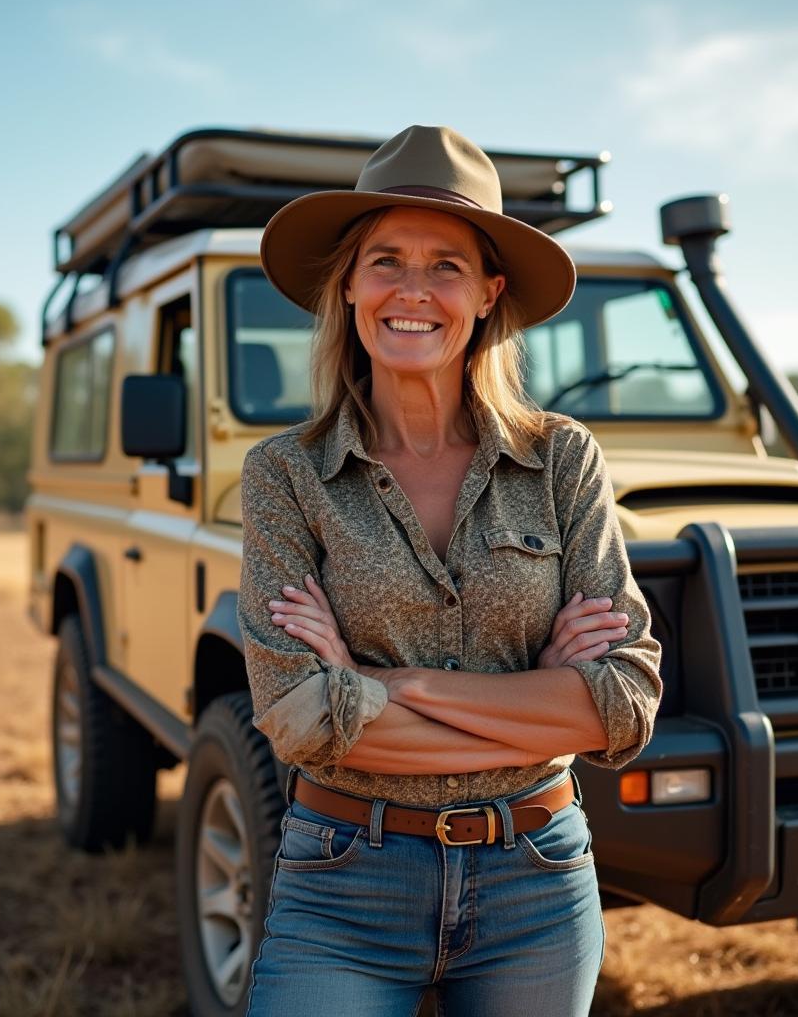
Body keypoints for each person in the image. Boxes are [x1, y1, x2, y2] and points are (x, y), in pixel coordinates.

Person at [238, 124, 662, 1016]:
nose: (412, 291)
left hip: (536, 879)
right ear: (349, 285)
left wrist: (373, 680)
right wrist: (543, 705)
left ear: (488, 294)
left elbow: (623, 699)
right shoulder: (285, 473)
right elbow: (298, 716)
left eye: (446, 266)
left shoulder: (561, 461)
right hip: (344, 881)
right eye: (386, 259)